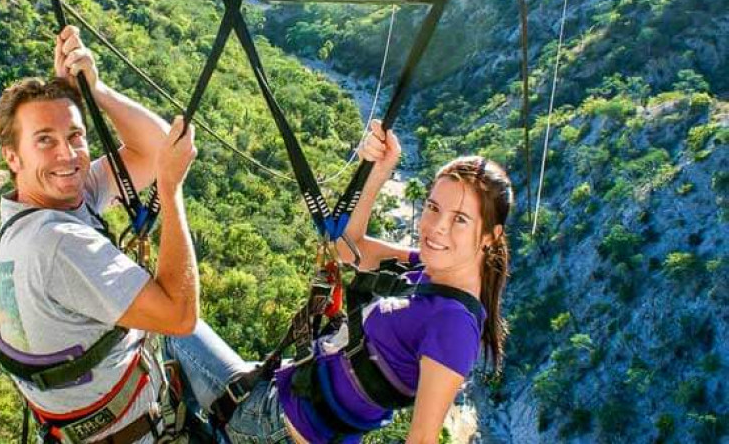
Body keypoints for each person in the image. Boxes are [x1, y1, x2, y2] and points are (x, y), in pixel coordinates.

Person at [165, 120, 512, 444]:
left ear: (491, 237)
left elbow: (421, 438)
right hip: (288, 400)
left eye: (460, 219)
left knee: (169, 319)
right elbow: (348, 248)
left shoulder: (453, 324)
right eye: (433, 208)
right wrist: (378, 173)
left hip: (272, 422)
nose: (436, 227)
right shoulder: (430, 270)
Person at [0, 25, 200, 443]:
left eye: (75, 136)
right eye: (45, 141)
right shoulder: (58, 244)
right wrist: (170, 189)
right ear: (12, 156)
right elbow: (180, 315)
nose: (66, 155)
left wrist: (95, 92)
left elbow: (154, 148)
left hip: (116, 398)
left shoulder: (42, 199)